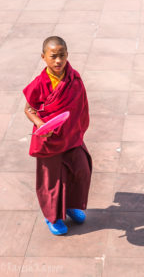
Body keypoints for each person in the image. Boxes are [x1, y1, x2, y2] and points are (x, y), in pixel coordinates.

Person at [23, 36, 92, 235]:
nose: (58, 61)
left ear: (67, 55)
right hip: (49, 139)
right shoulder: (39, 83)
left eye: (62, 55)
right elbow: (29, 110)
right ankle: (52, 216)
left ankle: (70, 205)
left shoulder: (74, 78)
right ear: (43, 57)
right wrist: (41, 125)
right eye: (53, 56)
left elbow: (81, 105)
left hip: (70, 136)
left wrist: (77, 128)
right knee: (51, 180)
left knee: (81, 170)